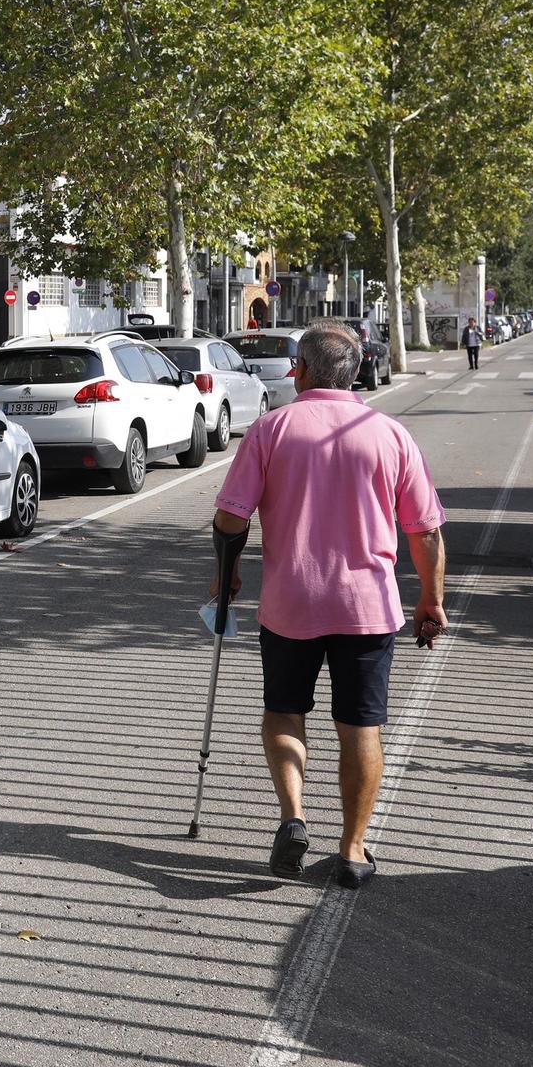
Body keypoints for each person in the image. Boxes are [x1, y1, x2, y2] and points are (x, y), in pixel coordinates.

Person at [209, 322, 447, 889]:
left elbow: (230, 519)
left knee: (285, 712)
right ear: (358, 371)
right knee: (360, 726)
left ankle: (293, 817)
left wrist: (227, 575)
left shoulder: (270, 430)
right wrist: (431, 599)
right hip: (368, 606)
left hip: (291, 602)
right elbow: (426, 531)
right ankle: (353, 851)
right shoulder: (389, 434)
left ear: (303, 370)